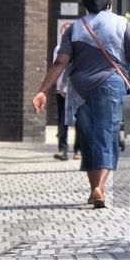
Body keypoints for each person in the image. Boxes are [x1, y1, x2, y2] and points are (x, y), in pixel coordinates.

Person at [32, 0, 129, 208]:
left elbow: (60, 62)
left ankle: (93, 187)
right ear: (109, 2)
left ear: (85, 5)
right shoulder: (121, 23)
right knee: (108, 134)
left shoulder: (75, 28)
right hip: (110, 85)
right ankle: (100, 188)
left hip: (79, 89)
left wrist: (42, 90)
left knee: (88, 137)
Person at [52, 21, 78, 161]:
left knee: (79, 121)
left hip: (76, 90)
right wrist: (59, 87)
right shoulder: (57, 49)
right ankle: (62, 149)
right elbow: (56, 68)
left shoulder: (78, 49)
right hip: (61, 91)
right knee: (62, 121)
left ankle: (78, 150)